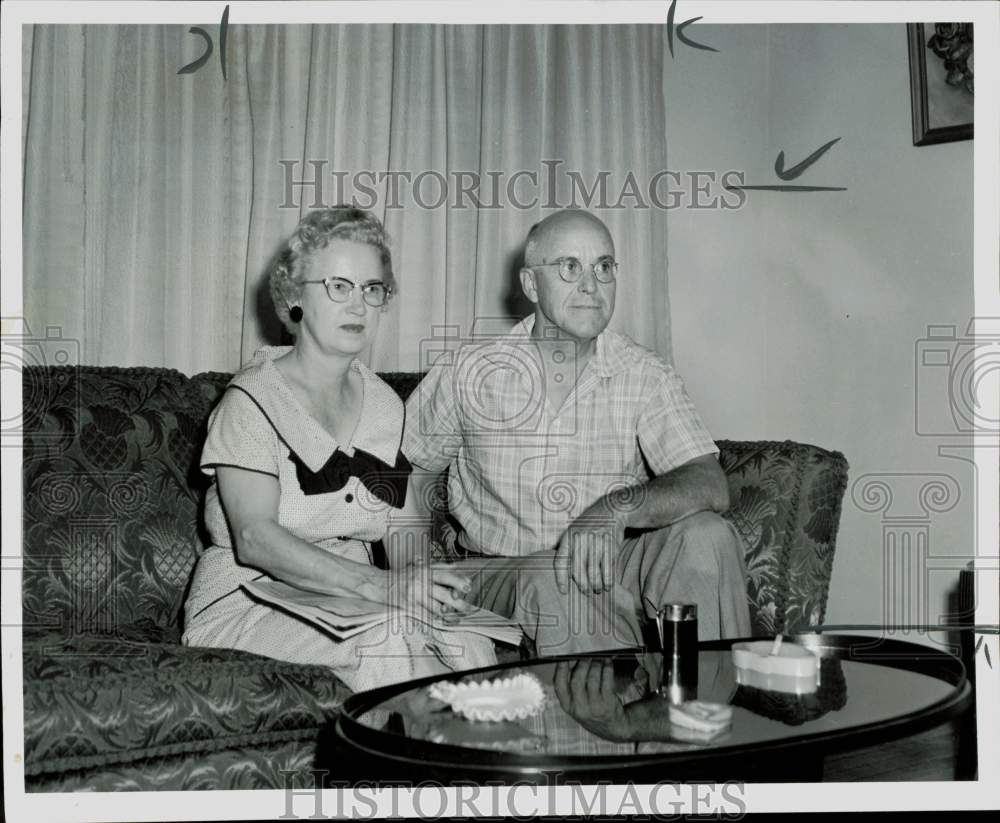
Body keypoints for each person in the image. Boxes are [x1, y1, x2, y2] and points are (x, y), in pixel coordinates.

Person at [402, 208, 751, 657]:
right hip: (499, 574)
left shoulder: (644, 374)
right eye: (569, 267)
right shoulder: (469, 370)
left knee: (708, 536)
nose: (591, 285)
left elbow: (708, 481)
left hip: (607, 566)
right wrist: (411, 571)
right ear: (531, 284)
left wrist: (614, 509)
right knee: (554, 575)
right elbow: (407, 472)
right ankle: (607, 715)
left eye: (603, 267)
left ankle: (710, 709)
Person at [182, 207, 496, 692]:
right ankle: (446, 764)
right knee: (389, 644)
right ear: (294, 297)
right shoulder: (250, 402)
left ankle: (492, 760)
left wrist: (421, 585)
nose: (358, 306)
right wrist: (384, 588)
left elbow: (403, 530)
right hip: (246, 601)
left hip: (348, 602)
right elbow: (255, 537)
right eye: (338, 286)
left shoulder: (386, 408)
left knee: (469, 640)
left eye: (372, 289)